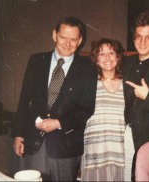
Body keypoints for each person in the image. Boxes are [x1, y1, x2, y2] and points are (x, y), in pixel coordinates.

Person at [13, 17, 97, 181]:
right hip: (34, 141)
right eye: (63, 37)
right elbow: (24, 99)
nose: (67, 43)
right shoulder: (36, 61)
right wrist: (19, 134)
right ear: (54, 35)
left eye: (73, 39)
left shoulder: (88, 69)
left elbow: (87, 108)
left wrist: (59, 123)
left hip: (65, 145)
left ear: (80, 41)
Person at [122, 11, 149, 181]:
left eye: (148, 37)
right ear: (133, 38)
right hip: (127, 133)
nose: (142, 41)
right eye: (138, 36)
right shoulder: (126, 63)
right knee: (127, 175)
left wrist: (148, 98)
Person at [81, 38, 126, 181]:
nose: (107, 58)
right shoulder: (88, 83)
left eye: (111, 53)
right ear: (96, 59)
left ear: (118, 57)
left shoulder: (127, 84)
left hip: (119, 152)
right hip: (95, 151)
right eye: (102, 54)